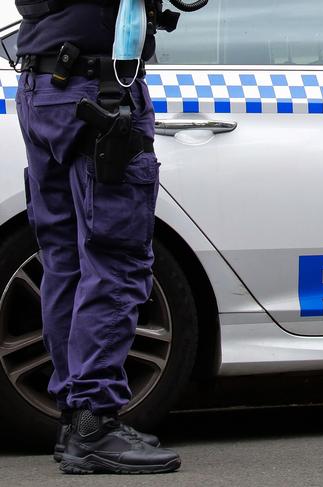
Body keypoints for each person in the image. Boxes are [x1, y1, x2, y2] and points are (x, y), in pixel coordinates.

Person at [14, 0, 181, 475]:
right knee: (116, 260)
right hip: (97, 92)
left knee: (65, 260)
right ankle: (94, 423)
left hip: (45, 87)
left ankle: (76, 420)